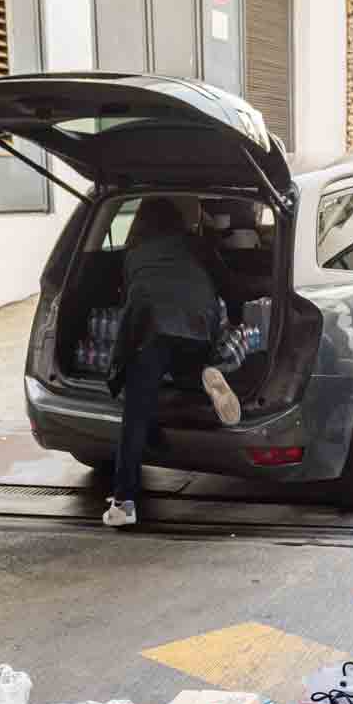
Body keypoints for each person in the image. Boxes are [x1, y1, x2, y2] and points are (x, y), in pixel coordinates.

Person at [102, 198, 243, 528]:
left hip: (151, 328)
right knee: (185, 364)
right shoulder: (195, 245)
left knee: (135, 412)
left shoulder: (134, 253)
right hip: (199, 324)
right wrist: (235, 321)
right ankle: (204, 374)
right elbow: (230, 287)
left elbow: (128, 301)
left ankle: (124, 504)